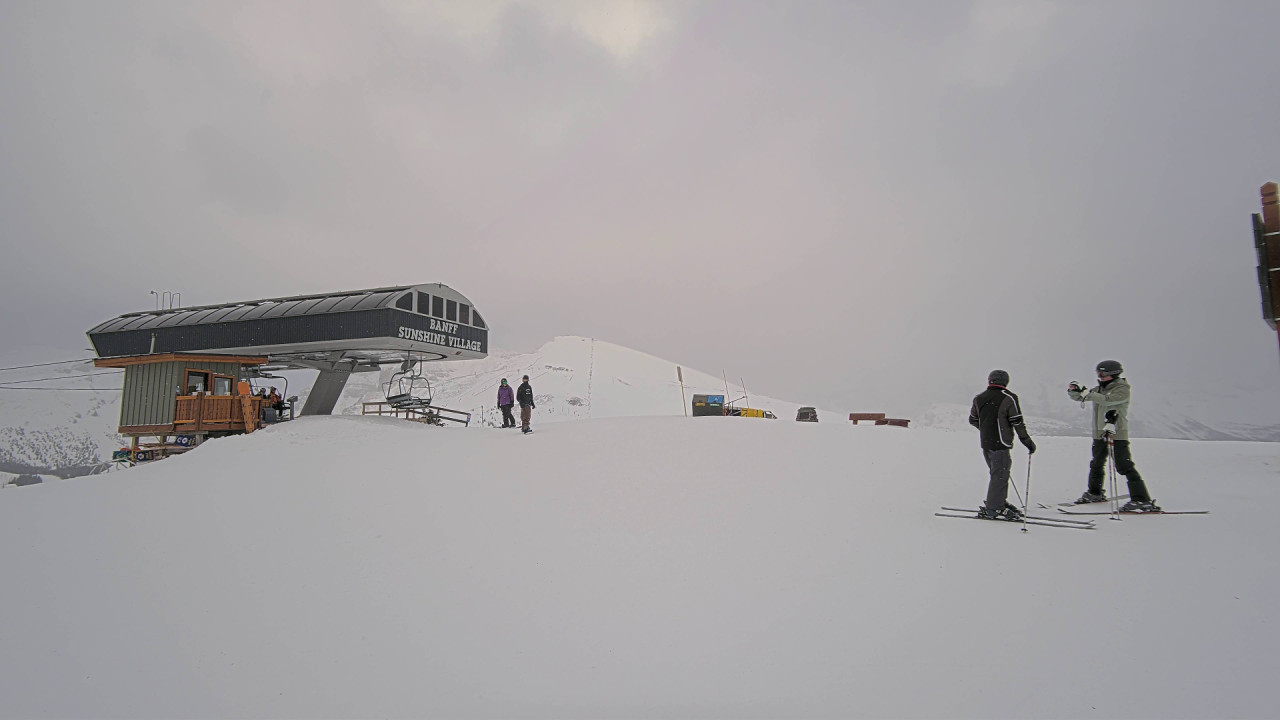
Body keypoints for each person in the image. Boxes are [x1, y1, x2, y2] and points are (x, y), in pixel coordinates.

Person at [1067, 360, 1159, 511]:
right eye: (1098, 373)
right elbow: (1082, 398)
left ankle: (1142, 500)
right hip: (1099, 433)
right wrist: (1075, 391)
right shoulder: (1100, 389)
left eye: (1103, 374)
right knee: (1096, 463)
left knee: (1124, 465)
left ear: (1113, 374)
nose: (1100, 376)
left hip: (1116, 434)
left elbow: (1108, 401)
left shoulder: (1122, 389)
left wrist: (1089, 394)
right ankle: (1094, 493)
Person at [969, 369, 1037, 520]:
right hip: (1001, 443)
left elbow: (973, 419)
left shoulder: (979, 398)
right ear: (1005, 382)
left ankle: (998, 502)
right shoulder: (1009, 398)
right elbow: (1017, 422)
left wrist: (987, 429)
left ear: (990, 380)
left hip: (986, 443)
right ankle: (994, 508)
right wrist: (1027, 442)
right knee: (1000, 474)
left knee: (998, 473)